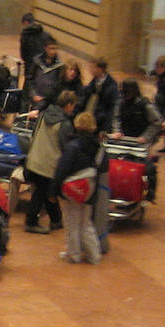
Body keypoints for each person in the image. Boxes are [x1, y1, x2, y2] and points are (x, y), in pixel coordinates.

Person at [53, 111, 106, 264]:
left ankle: (73, 253)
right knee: (86, 222)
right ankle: (94, 254)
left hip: (73, 189)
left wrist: (54, 189)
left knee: (71, 222)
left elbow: (62, 169)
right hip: (89, 187)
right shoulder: (98, 147)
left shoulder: (72, 146)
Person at [22, 89, 78, 235]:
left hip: (34, 159)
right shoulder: (64, 123)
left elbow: (34, 134)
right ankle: (31, 222)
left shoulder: (43, 114)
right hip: (49, 164)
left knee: (46, 191)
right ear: (69, 105)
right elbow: (66, 146)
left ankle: (56, 219)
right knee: (42, 192)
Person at [111, 78, 161, 202]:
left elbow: (157, 122)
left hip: (139, 145)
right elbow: (116, 118)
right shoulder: (120, 103)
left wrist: (146, 137)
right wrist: (117, 131)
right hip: (123, 144)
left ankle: (150, 192)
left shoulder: (145, 105)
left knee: (149, 169)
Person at [80, 57, 119, 134]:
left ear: (100, 69)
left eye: (93, 67)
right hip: (90, 120)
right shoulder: (92, 83)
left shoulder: (112, 86)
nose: (90, 70)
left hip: (101, 123)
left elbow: (111, 109)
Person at [28, 41, 65, 109]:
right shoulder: (37, 61)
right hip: (34, 97)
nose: (53, 51)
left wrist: (46, 98)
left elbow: (58, 84)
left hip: (49, 101)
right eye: (51, 48)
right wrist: (33, 94)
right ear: (45, 48)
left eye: (55, 49)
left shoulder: (59, 66)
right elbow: (30, 79)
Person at [19, 13, 51, 87]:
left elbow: (23, 53)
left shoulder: (25, 35)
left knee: (28, 86)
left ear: (25, 23)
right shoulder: (46, 34)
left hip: (30, 65)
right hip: (44, 64)